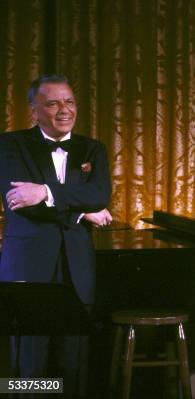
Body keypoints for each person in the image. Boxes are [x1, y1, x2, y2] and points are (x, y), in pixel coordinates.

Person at [0, 74, 112, 395]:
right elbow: (21, 202)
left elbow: (99, 195)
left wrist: (46, 192)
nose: (65, 110)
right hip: (28, 269)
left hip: (77, 269)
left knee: (72, 367)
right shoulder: (9, 145)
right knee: (29, 370)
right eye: (53, 103)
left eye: (70, 102)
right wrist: (80, 209)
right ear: (34, 111)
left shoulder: (93, 149)